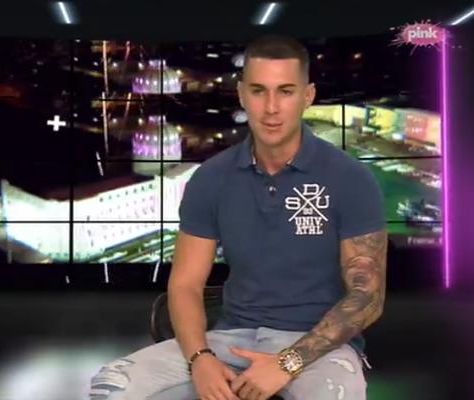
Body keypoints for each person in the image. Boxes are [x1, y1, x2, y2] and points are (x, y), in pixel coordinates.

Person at [89, 34, 387, 400]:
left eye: (286, 91)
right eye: (259, 91)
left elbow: (367, 296)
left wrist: (287, 363)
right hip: (230, 339)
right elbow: (185, 286)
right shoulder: (211, 178)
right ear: (242, 94)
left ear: (307, 96)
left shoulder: (351, 179)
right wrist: (200, 358)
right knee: (111, 386)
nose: (271, 108)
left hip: (317, 348)